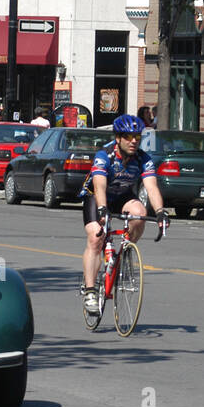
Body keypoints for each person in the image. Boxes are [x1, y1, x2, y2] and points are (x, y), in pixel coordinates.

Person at [78, 114, 166, 314]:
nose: (134, 141)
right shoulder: (104, 155)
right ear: (118, 138)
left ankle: (124, 252)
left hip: (122, 196)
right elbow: (99, 185)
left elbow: (151, 187)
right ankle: (90, 290)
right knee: (95, 237)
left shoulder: (143, 158)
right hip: (96, 196)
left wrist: (160, 212)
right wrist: (102, 209)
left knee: (139, 212)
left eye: (137, 137)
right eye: (128, 136)